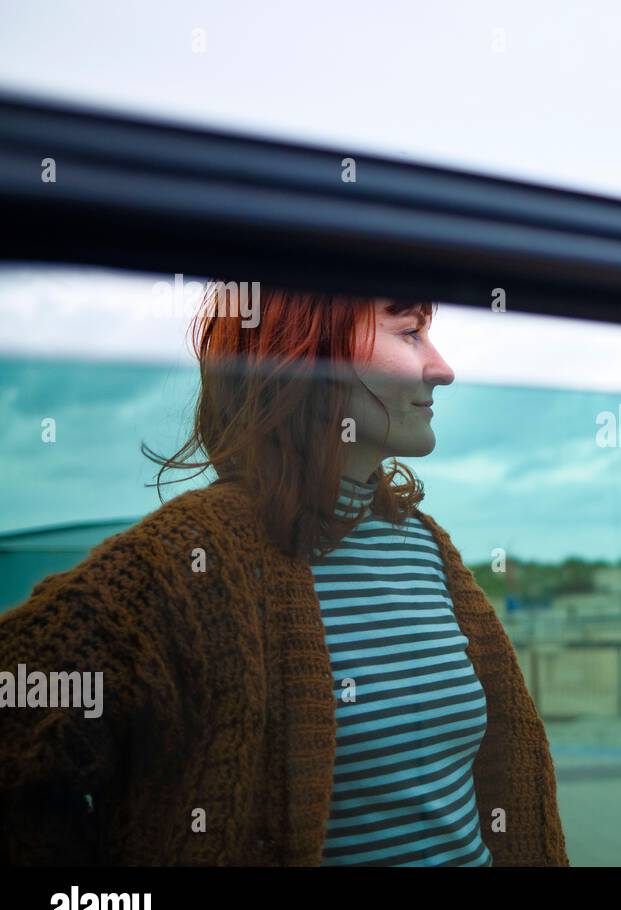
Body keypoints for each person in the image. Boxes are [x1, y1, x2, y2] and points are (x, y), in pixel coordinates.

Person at [0, 281, 568, 866]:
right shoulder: (186, 559)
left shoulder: (425, 546)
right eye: (410, 333)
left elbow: (503, 775)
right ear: (304, 357)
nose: (443, 369)